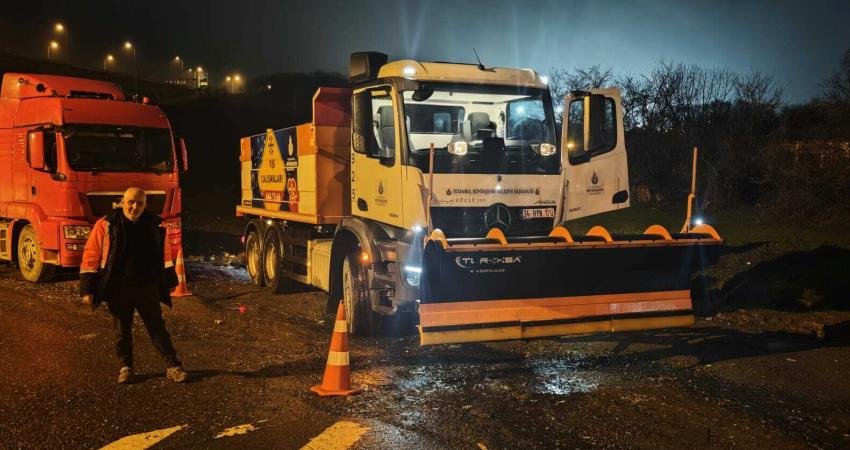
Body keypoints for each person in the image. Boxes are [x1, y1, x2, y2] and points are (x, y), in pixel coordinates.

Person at [80, 187, 188, 384]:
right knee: (122, 331)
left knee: (157, 328)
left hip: (146, 286)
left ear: (145, 205)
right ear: (123, 202)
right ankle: (126, 367)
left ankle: (173, 366)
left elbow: (164, 256)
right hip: (117, 287)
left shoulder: (155, 225)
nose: (134, 206)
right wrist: (87, 287)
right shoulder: (106, 224)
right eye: (130, 202)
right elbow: (91, 255)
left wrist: (169, 281)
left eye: (139, 203)